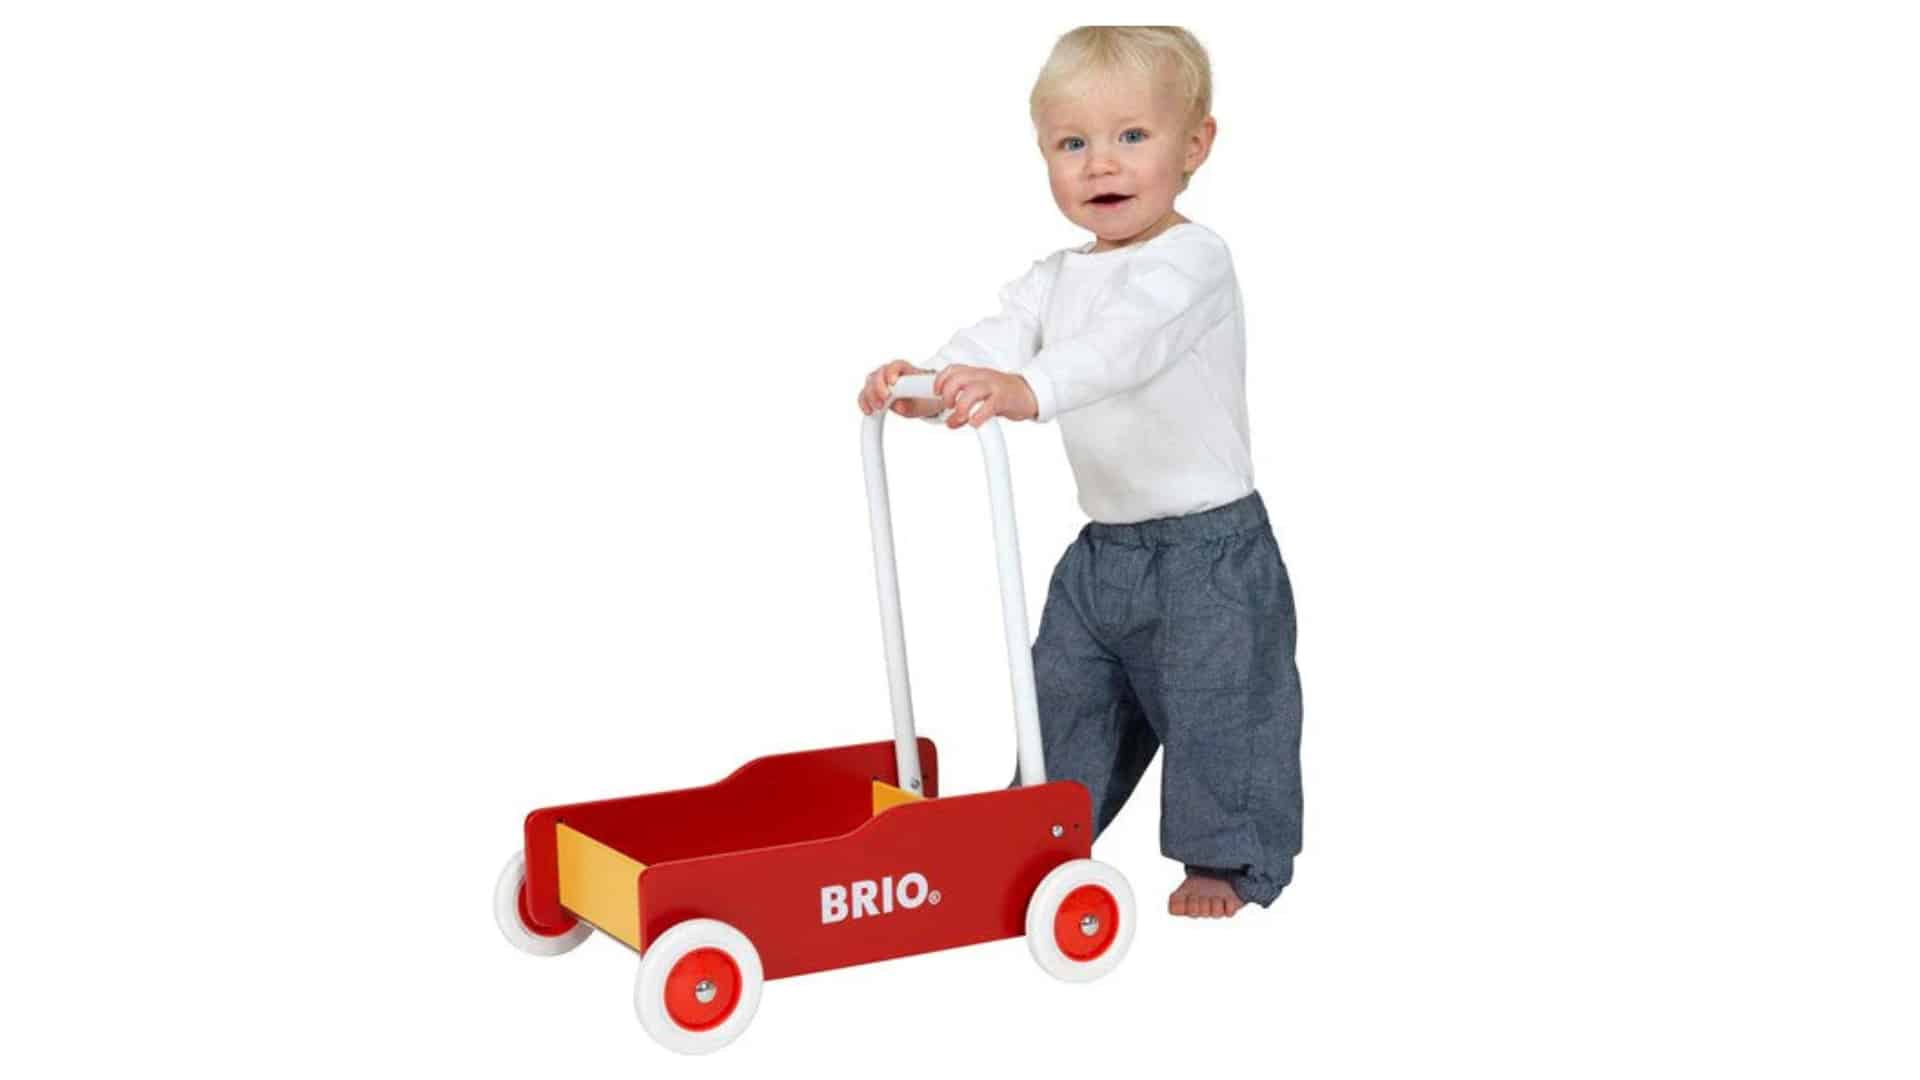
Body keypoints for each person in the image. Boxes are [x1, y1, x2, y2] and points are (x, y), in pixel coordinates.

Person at [855, 26, 1301, 919]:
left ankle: (1226, 857)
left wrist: (1029, 390)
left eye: (1132, 136)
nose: (1103, 162)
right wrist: (932, 387)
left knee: (1221, 705)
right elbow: (1000, 339)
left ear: (1195, 146)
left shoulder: (1191, 261)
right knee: (1064, 687)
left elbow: (1121, 348)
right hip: (1106, 551)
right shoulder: (1056, 275)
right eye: (1073, 144)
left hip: (1209, 553)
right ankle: (1035, 837)